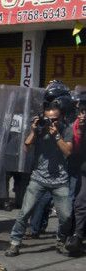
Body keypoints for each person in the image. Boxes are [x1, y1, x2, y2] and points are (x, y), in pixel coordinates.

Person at [5, 81, 74, 257]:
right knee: (24, 212)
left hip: (60, 180)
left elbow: (68, 151)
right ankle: (15, 243)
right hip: (38, 178)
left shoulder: (66, 130)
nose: (50, 122)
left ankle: (61, 240)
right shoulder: (39, 128)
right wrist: (35, 131)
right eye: (47, 119)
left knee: (66, 216)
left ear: (62, 118)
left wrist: (56, 135)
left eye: (54, 120)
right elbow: (26, 148)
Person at [65, 91, 86, 254]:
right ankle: (77, 236)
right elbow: (76, 149)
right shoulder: (79, 126)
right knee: (80, 203)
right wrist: (80, 129)